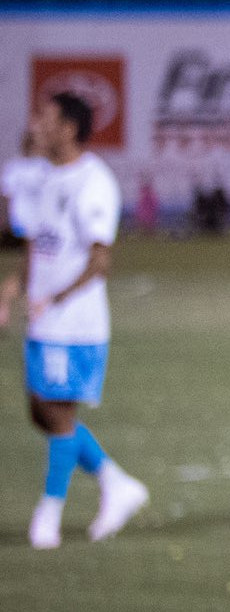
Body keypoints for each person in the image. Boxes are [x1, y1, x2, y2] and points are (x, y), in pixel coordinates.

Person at [0, 94, 149, 550]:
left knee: (58, 415)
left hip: (75, 322)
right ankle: (115, 483)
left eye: (44, 118)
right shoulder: (44, 177)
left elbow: (100, 259)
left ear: (68, 129)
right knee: (42, 412)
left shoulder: (93, 181)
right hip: (46, 319)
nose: (35, 126)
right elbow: (38, 244)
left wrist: (56, 298)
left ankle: (48, 515)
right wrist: (15, 287)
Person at [3, 127, 51, 244]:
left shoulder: (45, 166)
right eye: (27, 141)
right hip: (19, 220)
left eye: (32, 142)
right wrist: (5, 220)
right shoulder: (13, 167)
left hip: (41, 220)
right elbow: (6, 196)